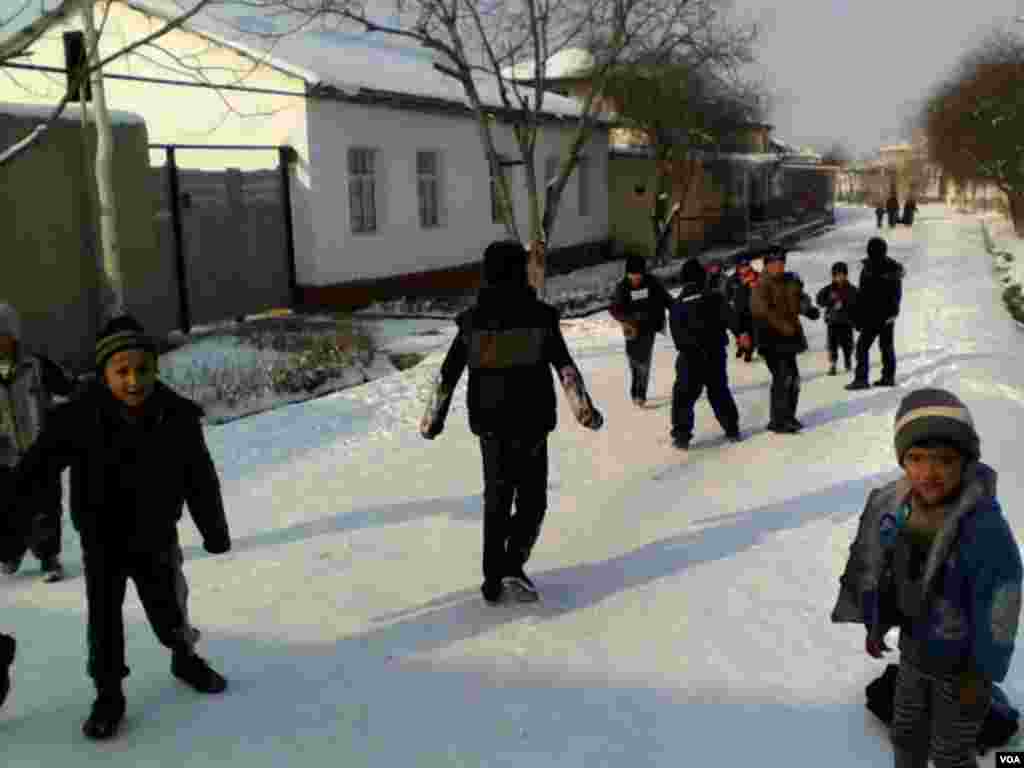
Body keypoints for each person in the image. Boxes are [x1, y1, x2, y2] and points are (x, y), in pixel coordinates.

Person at [8, 315, 232, 740]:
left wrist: (213, 529)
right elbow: (34, 475)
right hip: (103, 539)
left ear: (155, 368)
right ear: (104, 372)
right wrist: (10, 528)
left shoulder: (176, 416)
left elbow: (200, 477)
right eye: (121, 371)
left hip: (156, 536)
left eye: (142, 369)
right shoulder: (76, 419)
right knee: (105, 621)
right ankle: (108, 693)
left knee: (169, 606)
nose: (134, 380)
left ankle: (184, 656)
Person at [831, 388, 1021, 768]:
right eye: (915, 459)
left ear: (965, 463)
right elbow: (886, 573)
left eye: (944, 460)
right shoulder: (899, 510)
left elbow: (1001, 608)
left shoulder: (983, 529)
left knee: (950, 753)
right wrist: (877, 622)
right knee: (906, 734)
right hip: (915, 653)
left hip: (963, 669)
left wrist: (981, 675)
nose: (928, 473)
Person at [420, 240, 604, 605]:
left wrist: (432, 419)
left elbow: (447, 374)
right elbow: (565, 368)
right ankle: (512, 562)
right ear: (521, 270)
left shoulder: (472, 321)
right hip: (532, 422)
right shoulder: (539, 317)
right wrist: (584, 411)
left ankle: (494, 577)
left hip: (490, 425)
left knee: (497, 499)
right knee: (533, 501)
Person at [0, 302, 79, 582]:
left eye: (3, 335)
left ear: (14, 336)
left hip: (41, 450)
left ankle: (49, 557)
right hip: (4, 456)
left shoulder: (35, 366)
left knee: (45, 507)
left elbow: (70, 390)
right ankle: (10, 552)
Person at [668, 259, 742, 450]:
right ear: (702, 277)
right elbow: (730, 317)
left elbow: (677, 336)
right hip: (714, 353)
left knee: (683, 396)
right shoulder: (714, 296)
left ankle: (682, 435)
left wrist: (688, 346)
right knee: (719, 392)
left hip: (689, 357)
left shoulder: (677, 305)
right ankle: (732, 429)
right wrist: (741, 334)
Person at [750, 248, 820, 433]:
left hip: (788, 338)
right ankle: (779, 420)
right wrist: (783, 326)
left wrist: (808, 309)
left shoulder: (789, 279)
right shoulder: (761, 285)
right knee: (783, 377)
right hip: (770, 338)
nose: (779, 266)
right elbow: (763, 311)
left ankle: (788, 416)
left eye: (781, 262)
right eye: (775, 263)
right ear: (767, 265)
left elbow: (799, 297)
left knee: (794, 379)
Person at [609, 254, 673, 406]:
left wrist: (679, 309)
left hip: (649, 327)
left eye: (638, 275)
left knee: (644, 360)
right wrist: (626, 319)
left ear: (643, 273)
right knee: (634, 360)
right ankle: (636, 387)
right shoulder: (623, 286)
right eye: (632, 276)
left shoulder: (652, 283)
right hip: (631, 328)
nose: (635, 279)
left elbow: (666, 299)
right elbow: (614, 309)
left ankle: (640, 393)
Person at [847, 237, 905, 390]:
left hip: (882, 315)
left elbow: (895, 293)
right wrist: (858, 315)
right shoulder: (869, 267)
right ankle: (882, 377)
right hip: (874, 314)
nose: (873, 252)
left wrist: (892, 312)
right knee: (880, 346)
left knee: (868, 346)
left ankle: (869, 378)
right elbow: (863, 293)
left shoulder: (890, 269)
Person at [815, 262, 858, 375]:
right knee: (832, 344)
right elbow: (819, 300)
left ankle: (848, 361)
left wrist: (846, 305)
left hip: (847, 322)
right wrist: (830, 301)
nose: (839, 277)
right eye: (836, 275)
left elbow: (858, 303)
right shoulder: (828, 289)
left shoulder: (851, 289)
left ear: (846, 275)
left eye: (842, 275)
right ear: (833, 276)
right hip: (832, 322)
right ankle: (833, 364)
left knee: (847, 344)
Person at [726, 255, 759, 363]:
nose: (744, 268)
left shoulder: (757, 276)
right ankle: (742, 346)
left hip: (753, 310)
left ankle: (749, 350)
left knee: (752, 333)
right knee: (740, 333)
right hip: (738, 311)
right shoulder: (732, 280)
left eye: (746, 266)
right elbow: (727, 295)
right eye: (741, 266)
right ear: (737, 267)